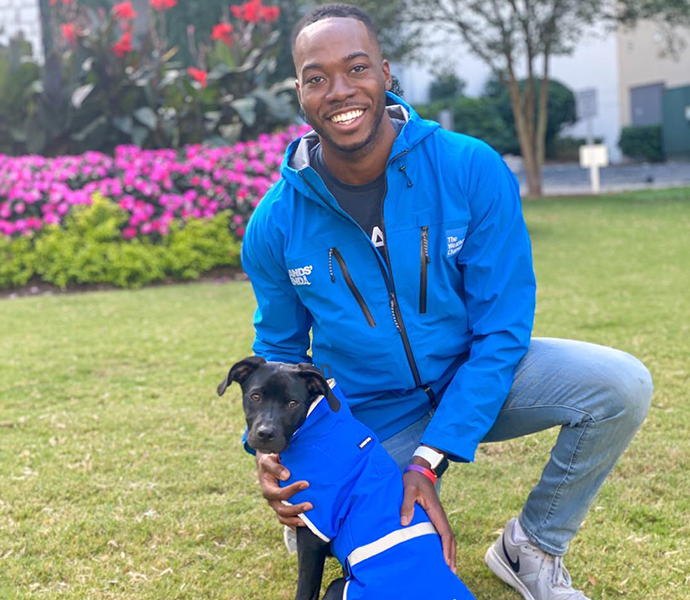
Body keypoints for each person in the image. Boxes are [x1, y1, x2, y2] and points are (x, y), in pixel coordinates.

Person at [239, 4, 653, 600]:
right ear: (300, 95)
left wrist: (428, 461)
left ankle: (531, 547)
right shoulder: (276, 222)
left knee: (620, 385)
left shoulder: (468, 167)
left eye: (357, 68)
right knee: (372, 552)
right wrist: (270, 453)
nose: (340, 90)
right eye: (317, 77)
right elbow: (279, 353)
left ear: (385, 73)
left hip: (475, 378)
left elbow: (502, 330)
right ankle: (334, 498)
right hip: (370, 415)